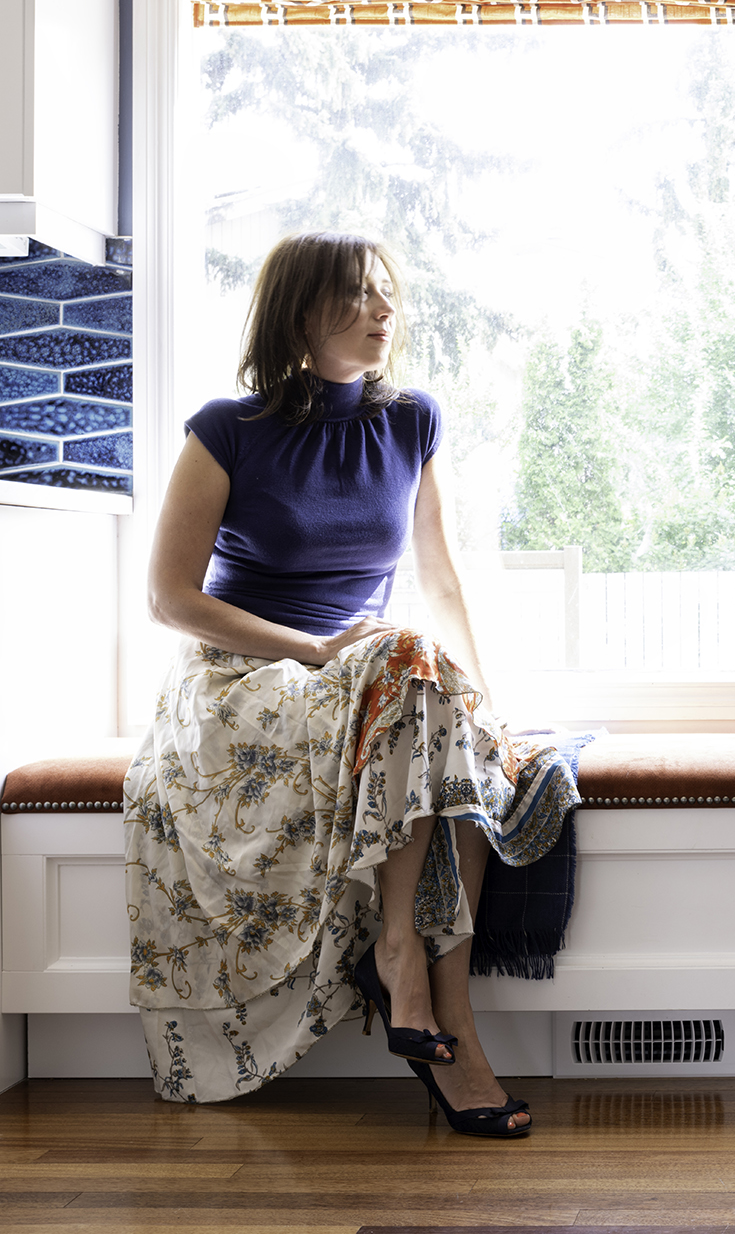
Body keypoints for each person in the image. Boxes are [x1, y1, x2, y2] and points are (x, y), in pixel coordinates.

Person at [126, 231, 570, 1137]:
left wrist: (489, 703)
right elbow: (169, 599)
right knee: (408, 676)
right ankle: (436, 1003)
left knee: (454, 733)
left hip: (364, 676)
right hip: (245, 679)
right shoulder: (226, 430)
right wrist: (317, 650)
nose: (382, 311)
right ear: (301, 313)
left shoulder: (412, 420)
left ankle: (426, 990)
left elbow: (442, 580)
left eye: (385, 294)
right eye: (357, 296)